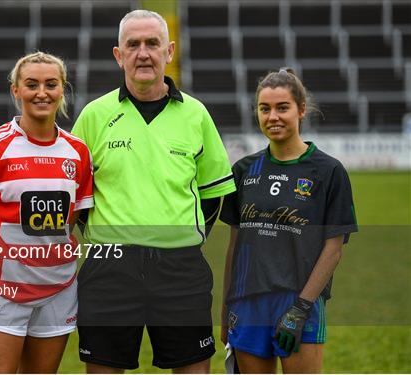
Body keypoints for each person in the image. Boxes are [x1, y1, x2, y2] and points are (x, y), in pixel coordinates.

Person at [71, 9, 236, 373]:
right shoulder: (93, 116)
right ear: (119, 55)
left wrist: (180, 238)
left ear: (170, 51)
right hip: (108, 269)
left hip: (181, 269)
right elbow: (75, 196)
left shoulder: (196, 115)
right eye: (133, 45)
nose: (143, 53)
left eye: (152, 43)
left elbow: (213, 195)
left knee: (192, 366)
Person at [0, 51, 93, 373]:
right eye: (31, 84)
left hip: (58, 290)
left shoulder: (78, 151)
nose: (41, 92)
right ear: (16, 90)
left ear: (62, 89)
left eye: (51, 84)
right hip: (0, 290)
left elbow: (69, 222)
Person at [219, 68, 358, 373]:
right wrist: (225, 306)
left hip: (299, 302)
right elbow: (235, 245)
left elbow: (333, 249)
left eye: (283, 107)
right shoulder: (243, 170)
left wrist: (301, 307)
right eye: (264, 109)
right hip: (247, 304)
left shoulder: (328, 171)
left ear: (301, 110)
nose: (273, 117)